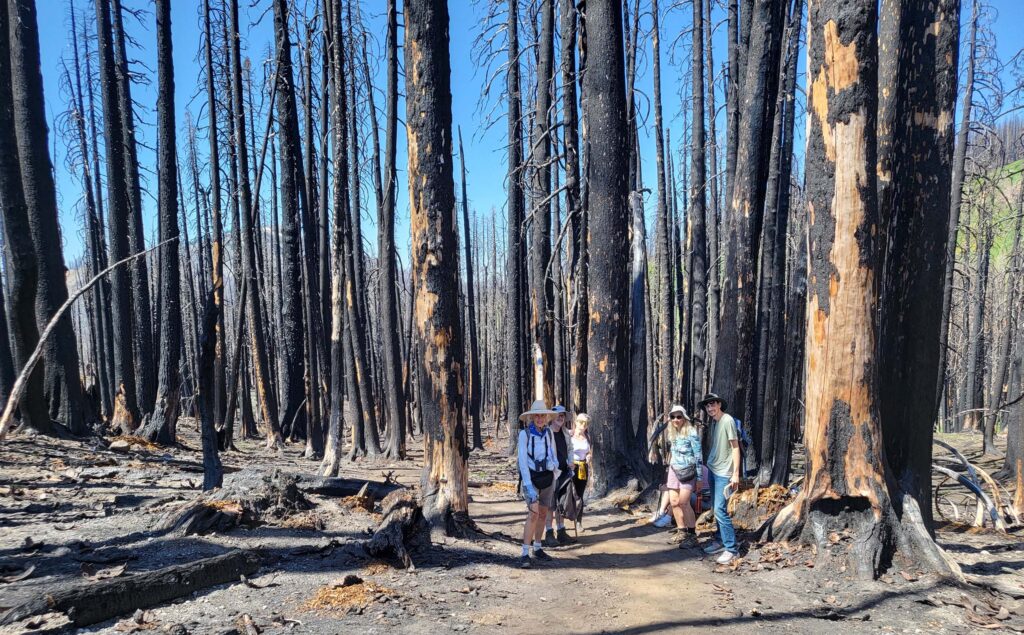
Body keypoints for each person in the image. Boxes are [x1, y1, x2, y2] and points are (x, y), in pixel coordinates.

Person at [698, 392, 741, 564]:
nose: (710, 408)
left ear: (719, 405)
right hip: (714, 470)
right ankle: (720, 540)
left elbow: (735, 448)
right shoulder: (715, 423)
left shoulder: (727, 420)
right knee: (716, 510)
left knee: (720, 510)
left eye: (713, 404)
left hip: (725, 473)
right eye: (707, 406)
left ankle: (732, 549)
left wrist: (735, 474)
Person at [517, 399, 558, 568]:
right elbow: (522, 461)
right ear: (532, 417)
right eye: (537, 416)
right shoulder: (524, 434)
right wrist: (527, 485)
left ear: (546, 417)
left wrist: (554, 468)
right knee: (533, 514)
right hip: (531, 478)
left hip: (548, 477)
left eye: (543, 415)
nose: (540, 418)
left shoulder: (548, 433)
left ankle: (538, 547)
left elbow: (553, 452)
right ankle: (525, 553)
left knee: (543, 513)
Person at [665, 405, 702, 546]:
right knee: (674, 502)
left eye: (679, 416)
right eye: (673, 417)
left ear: (684, 418)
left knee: (684, 502)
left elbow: (698, 456)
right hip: (674, 471)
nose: (676, 419)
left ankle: (692, 535)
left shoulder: (691, 432)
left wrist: (699, 478)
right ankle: (682, 531)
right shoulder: (672, 433)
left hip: (689, 472)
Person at [545, 405, 575, 545]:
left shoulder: (565, 432)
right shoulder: (547, 433)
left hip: (564, 473)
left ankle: (561, 531)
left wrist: (571, 461)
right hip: (551, 474)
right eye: (558, 415)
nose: (561, 417)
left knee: (561, 503)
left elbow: (570, 448)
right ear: (552, 417)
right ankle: (549, 533)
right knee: (550, 504)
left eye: (562, 415)